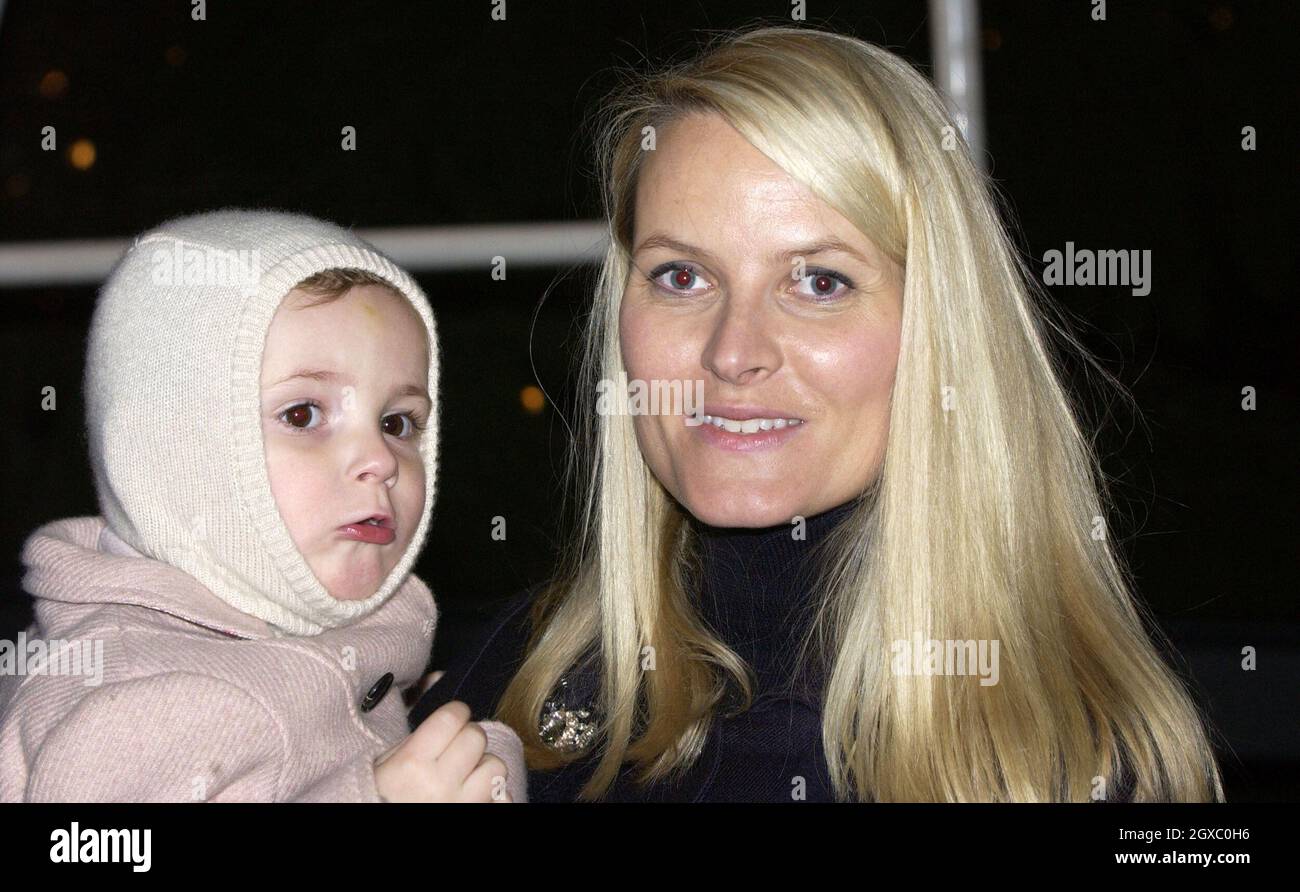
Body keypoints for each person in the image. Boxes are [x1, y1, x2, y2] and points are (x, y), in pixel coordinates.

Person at [412, 25, 1224, 802]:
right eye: (682, 277)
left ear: (940, 327)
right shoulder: (508, 692)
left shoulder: (1069, 764)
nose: (734, 352)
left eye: (819, 282)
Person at [0, 209, 526, 803]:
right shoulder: (152, 702)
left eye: (397, 422)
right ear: (169, 449)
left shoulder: (290, 634)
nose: (379, 459)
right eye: (303, 415)